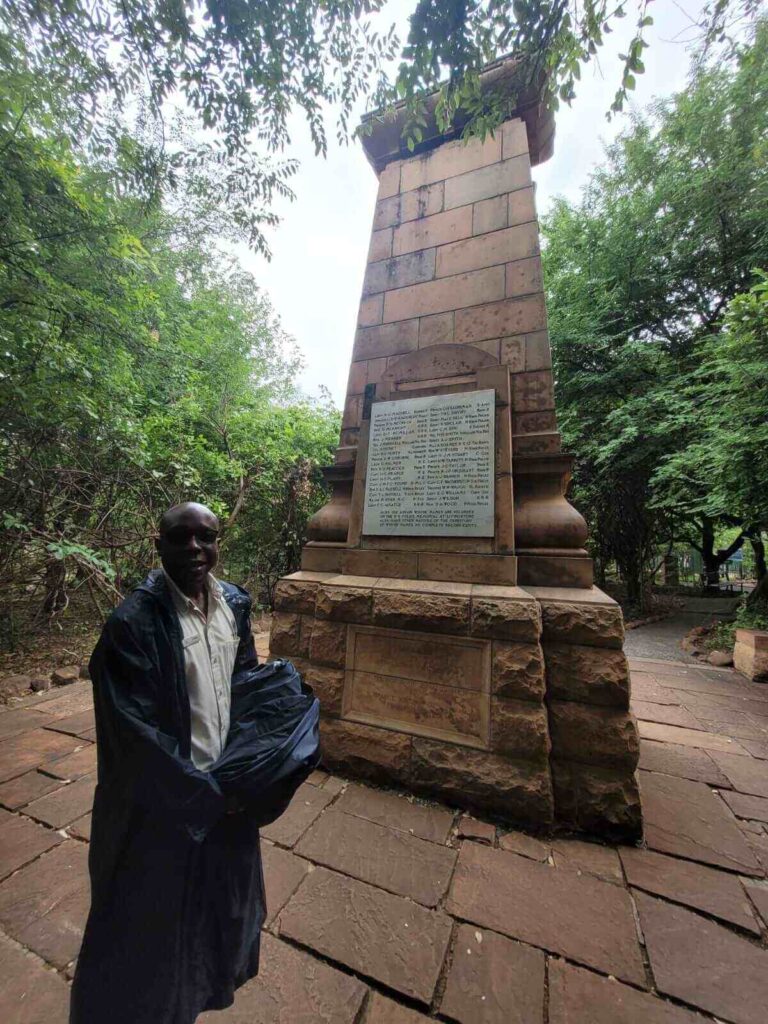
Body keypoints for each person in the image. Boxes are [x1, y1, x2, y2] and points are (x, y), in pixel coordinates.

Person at [70, 502, 267, 1024]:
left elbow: (245, 686)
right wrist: (205, 797)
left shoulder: (233, 605)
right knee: (148, 940)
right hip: (164, 812)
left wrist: (257, 764)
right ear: (158, 547)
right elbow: (135, 740)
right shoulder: (133, 625)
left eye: (207, 537)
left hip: (224, 800)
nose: (195, 549)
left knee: (210, 928)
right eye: (181, 538)